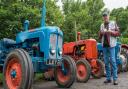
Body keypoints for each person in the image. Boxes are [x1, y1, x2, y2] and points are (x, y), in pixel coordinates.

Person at [99, 11, 120, 85]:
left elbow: (118, 33)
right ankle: (108, 78)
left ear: (109, 16)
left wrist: (110, 32)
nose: (105, 17)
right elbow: (99, 36)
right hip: (104, 47)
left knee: (113, 62)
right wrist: (101, 33)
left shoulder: (113, 23)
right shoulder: (101, 25)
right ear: (103, 17)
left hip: (111, 46)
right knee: (106, 63)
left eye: (106, 16)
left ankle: (115, 79)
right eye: (104, 16)